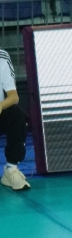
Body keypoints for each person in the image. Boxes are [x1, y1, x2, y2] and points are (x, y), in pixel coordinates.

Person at [0, 48, 30, 192]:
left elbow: (13, 97)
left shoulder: (2, 57)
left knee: (16, 115)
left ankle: (11, 169)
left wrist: (1, 105)